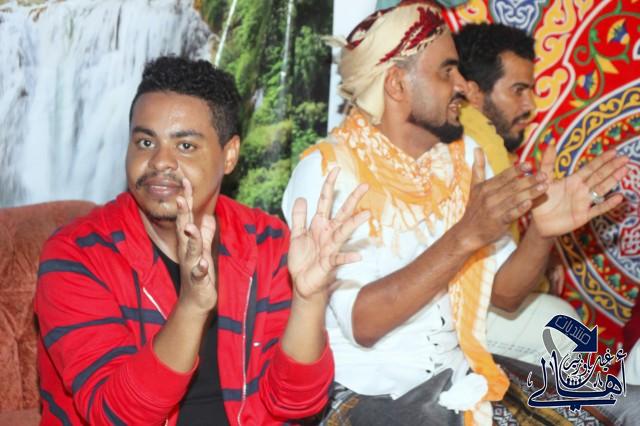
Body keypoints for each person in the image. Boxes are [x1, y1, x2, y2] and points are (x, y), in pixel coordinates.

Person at [282, 1, 629, 424]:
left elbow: (505, 294)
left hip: (458, 380)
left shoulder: (465, 158)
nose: (463, 86)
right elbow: (363, 324)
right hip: (363, 394)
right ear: (397, 84)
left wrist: (542, 232)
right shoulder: (329, 170)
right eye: (447, 71)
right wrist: (465, 235)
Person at [35, 56, 369, 425]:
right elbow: (117, 415)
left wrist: (309, 301)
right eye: (145, 142)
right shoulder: (76, 256)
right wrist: (192, 306)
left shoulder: (267, 243)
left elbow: (297, 404)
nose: (160, 161)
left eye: (185, 146)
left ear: (230, 155)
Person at [453, 22, 575, 364]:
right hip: (447, 315)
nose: (530, 104)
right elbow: (505, 293)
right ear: (473, 93)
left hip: (466, 303)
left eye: (531, 90)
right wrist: (542, 238)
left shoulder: (482, 140)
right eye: (518, 90)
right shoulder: (477, 145)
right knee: (564, 327)